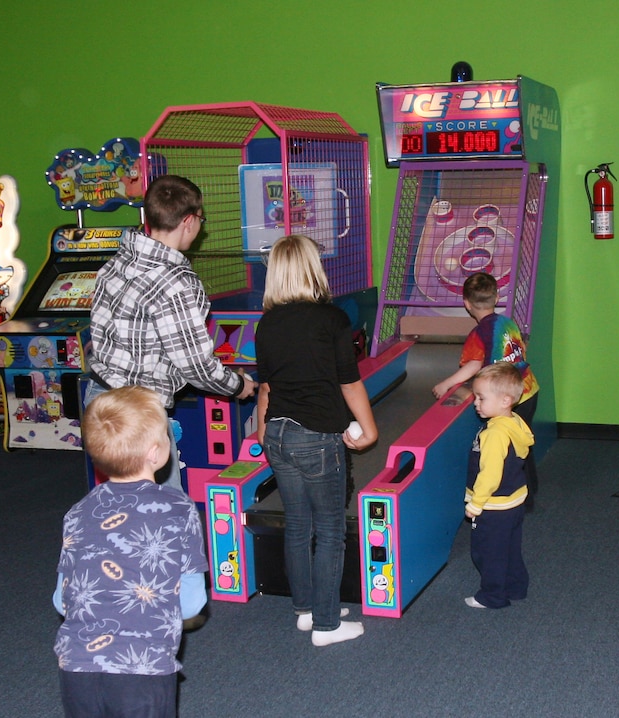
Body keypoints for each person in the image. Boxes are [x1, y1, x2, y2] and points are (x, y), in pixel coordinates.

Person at [87, 174, 257, 492]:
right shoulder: (176, 282)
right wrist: (238, 386)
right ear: (189, 221)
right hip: (136, 413)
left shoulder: (117, 261)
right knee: (161, 508)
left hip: (99, 400)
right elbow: (195, 365)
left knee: (120, 503)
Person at [53, 385, 208, 718]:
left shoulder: (78, 512)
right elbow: (192, 603)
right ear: (155, 453)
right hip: (144, 667)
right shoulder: (179, 509)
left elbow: (60, 600)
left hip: (76, 665)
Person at [254, 234, 378, 647]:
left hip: (279, 434)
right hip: (316, 437)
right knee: (328, 530)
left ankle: (307, 610)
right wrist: (369, 426)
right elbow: (350, 383)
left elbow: (267, 386)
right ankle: (327, 625)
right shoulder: (331, 319)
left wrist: (262, 426)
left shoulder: (267, 323)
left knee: (298, 525)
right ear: (313, 269)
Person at [431, 271, 540, 498]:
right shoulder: (508, 322)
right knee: (521, 442)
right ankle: (527, 491)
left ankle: (509, 490)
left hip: (505, 397)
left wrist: (446, 384)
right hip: (528, 389)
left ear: (466, 304)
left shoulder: (478, 333)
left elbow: (473, 364)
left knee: (504, 446)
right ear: (497, 297)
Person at [463, 362, 533, 609]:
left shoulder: (494, 434)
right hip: (513, 502)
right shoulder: (514, 421)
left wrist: (476, 503)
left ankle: (492, 596)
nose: (476, 403)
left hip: (492, 506)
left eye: (481, 398)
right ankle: (516, 586)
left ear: (505, 400)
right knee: (510, 548)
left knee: (487, 552)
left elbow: (490, 474)